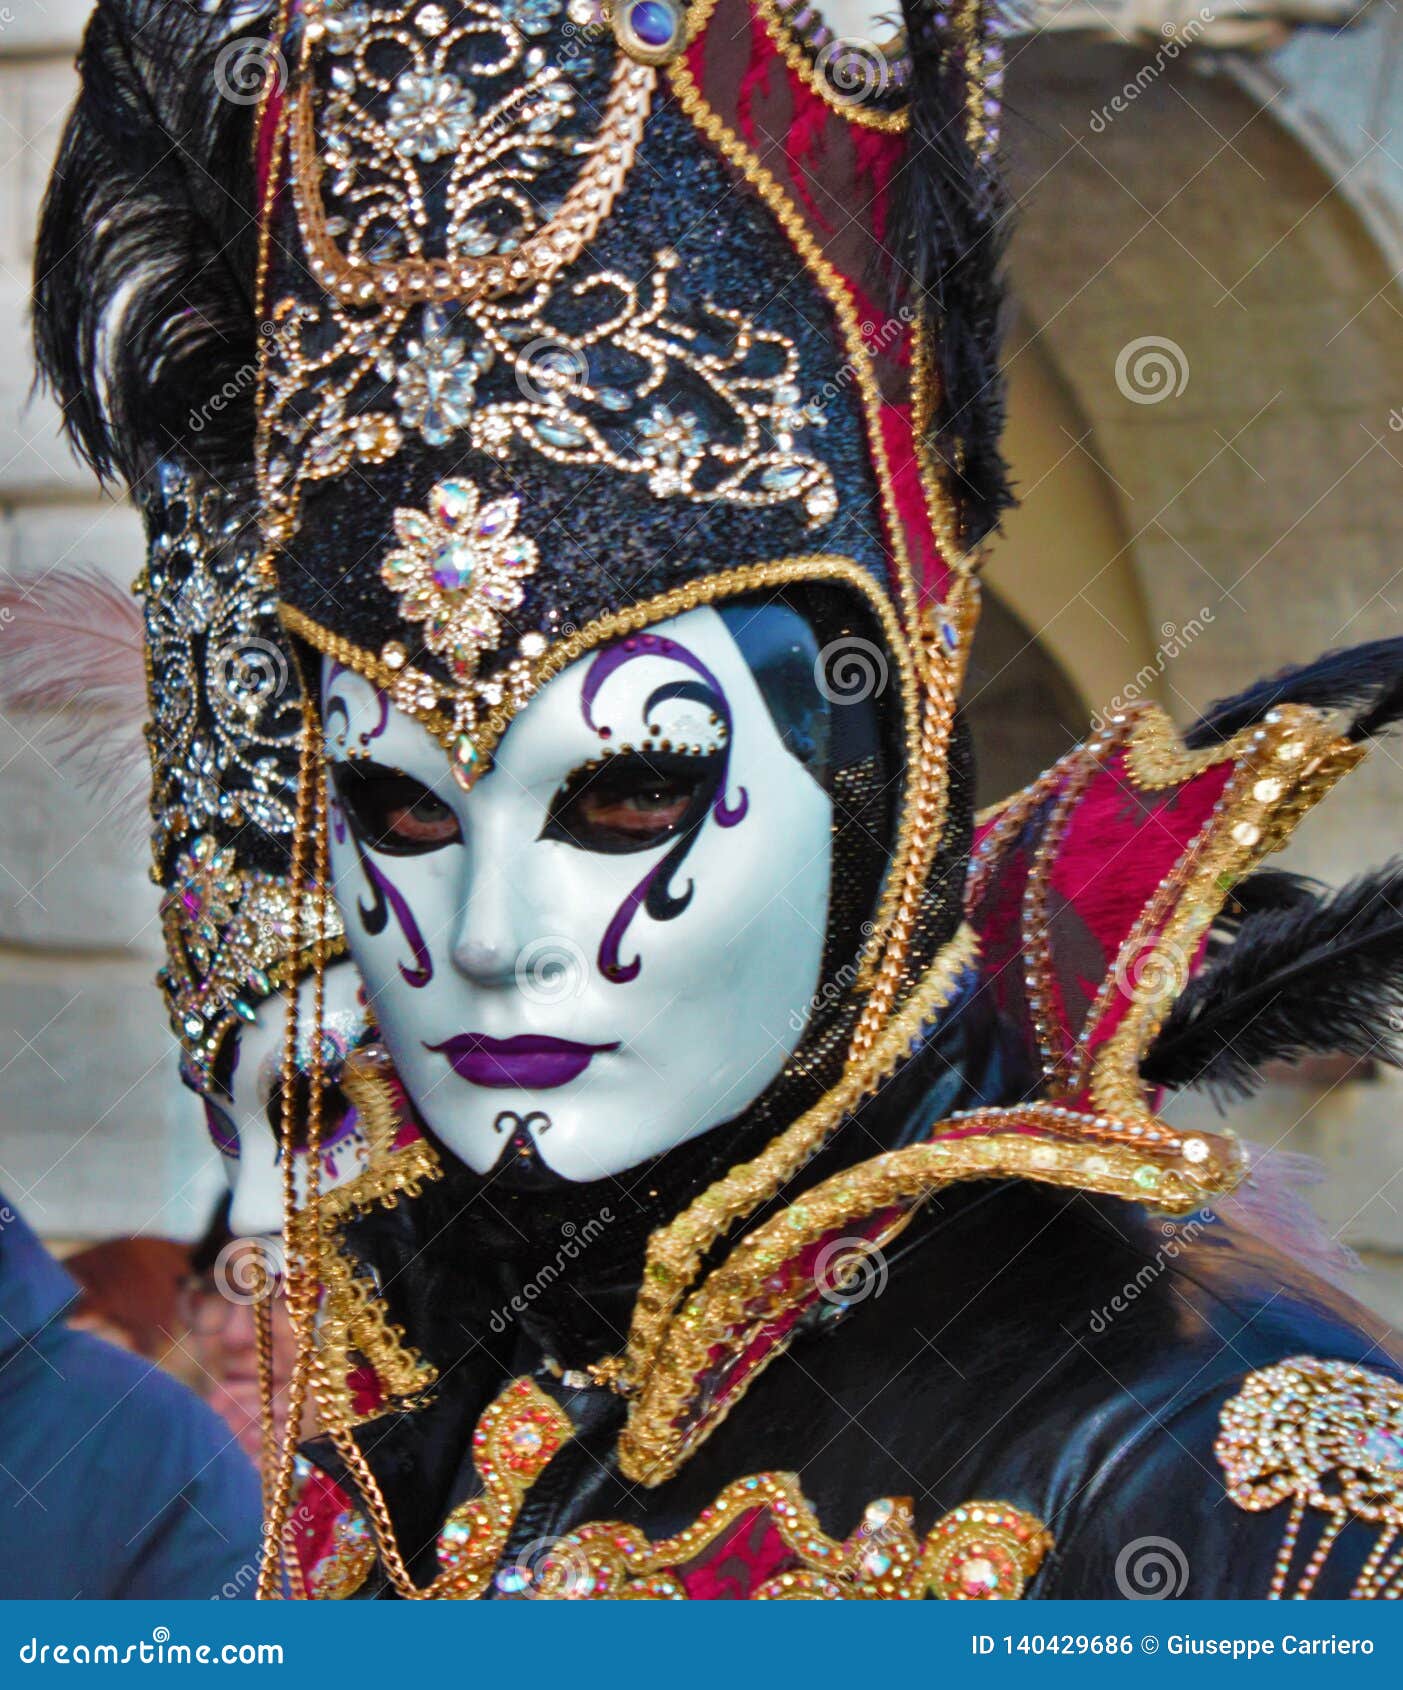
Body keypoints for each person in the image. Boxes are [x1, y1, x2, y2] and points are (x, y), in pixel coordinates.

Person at [28, 0, 1403, 1600]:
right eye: (401, 811)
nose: (489, 940)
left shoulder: (1224, 1470)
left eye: (624, 796)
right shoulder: (434, 1371)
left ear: (863, 785)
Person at [0, 1194, 263, 1599]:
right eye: (217, 1290)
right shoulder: (162, 1441)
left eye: (289, 1294)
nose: (237, 1335)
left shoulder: (168, 1443)